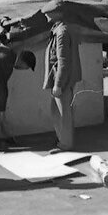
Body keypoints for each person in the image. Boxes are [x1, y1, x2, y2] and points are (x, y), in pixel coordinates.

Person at [44, 18, 81, 151]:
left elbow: (63, 61)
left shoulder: (61, 32)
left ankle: (65, 144)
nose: (47, 16)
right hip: (61, 78)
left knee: (62, 113)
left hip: (61, 79)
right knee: (57, 111)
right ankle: (62, 139)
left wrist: (58, 84)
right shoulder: (61, 29)